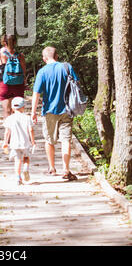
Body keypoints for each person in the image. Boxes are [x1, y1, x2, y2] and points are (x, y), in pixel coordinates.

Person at [31, 46, 78, 181]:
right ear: (56, 56)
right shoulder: (67, 67)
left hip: (49, 111)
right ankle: (66, 170)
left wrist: (33, 112)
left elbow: (36, 93)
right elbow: (76, 84)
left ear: (44, 59)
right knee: (66, 140)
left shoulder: (42, 72)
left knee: (49, 140)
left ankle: (52, 168)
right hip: (67, 109)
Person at [2, 97, 36, 185]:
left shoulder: (9, 118)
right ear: (23, 107)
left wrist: (5, 142)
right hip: (25, 143)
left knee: (17, 161)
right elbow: (31, 130)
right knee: (26, 158)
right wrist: (33, 142)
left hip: (14, 144)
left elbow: (7, 132)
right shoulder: (27, 118)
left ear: (12, 108)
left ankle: (18, 178)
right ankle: (25, 169)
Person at [0, 35, 26, 119]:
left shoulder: (0, 56)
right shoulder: (20, 56)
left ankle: (8, 131)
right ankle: (17, 130)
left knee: (7, 111)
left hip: (4, 85)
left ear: (4, 42)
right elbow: (24, 71)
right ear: (15, 42)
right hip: (18, 85)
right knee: (17, 111)